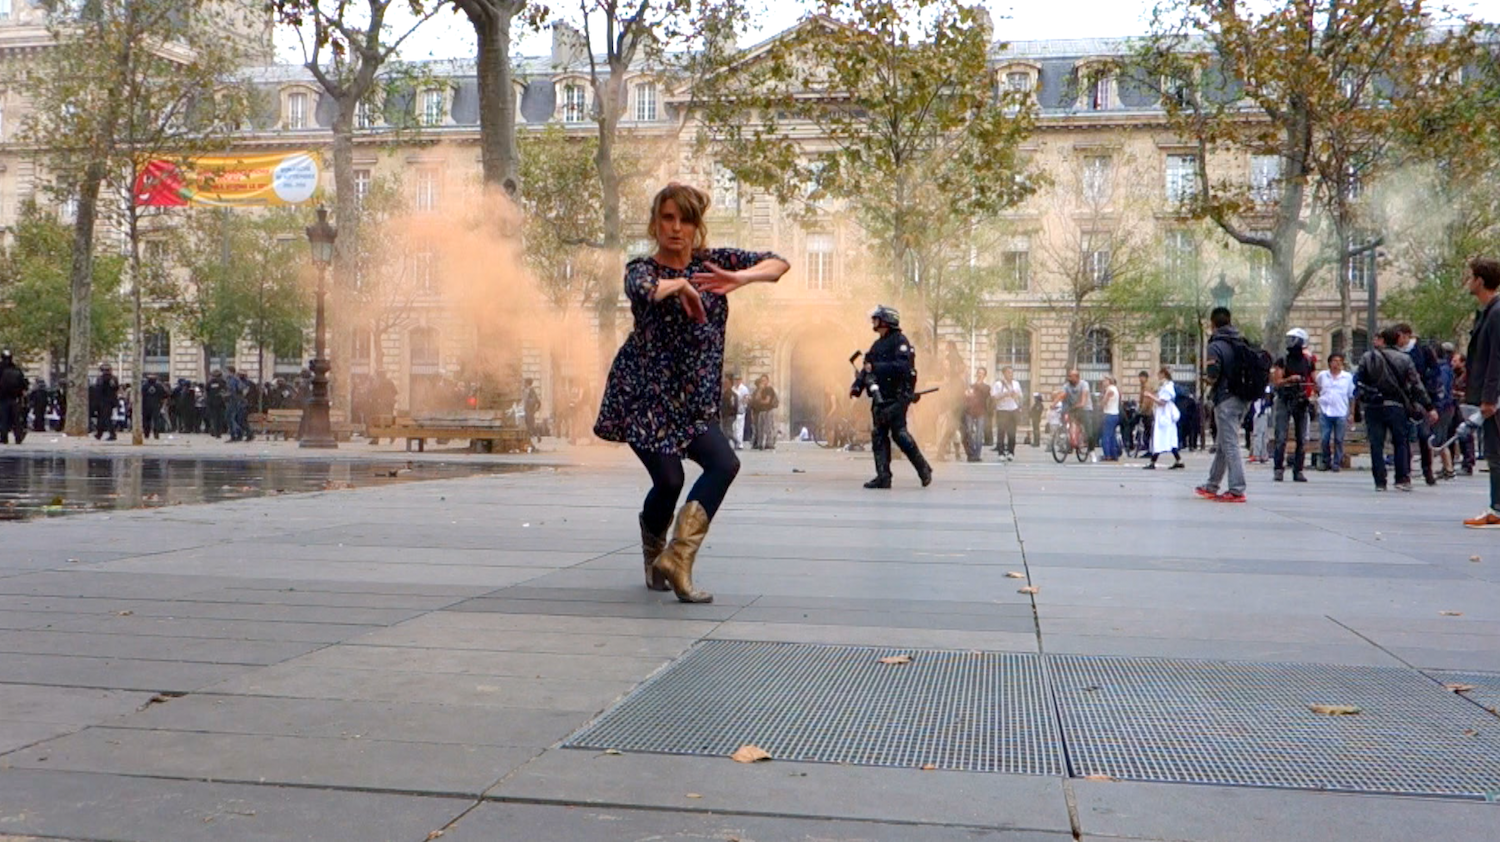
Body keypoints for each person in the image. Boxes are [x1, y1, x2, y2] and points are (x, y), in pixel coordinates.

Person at [593, 182, 789, 603]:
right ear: (655, 223)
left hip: (692, 400)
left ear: (697, 225)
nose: (676, 228)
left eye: (685, 220)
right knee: (669, 481)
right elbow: (645, 290)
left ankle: (678, 558)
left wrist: (740, 277)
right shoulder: (642, 268)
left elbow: (779, 264)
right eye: (667, 218)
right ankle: (654, 554)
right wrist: (681, 287)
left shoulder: (714, 263)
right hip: (644, 398)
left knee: (724, 463)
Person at [855, 305, 934, 489]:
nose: (874, 322)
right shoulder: (877, 344)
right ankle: (883, 476)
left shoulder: (900, 341)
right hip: (879, 396)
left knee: (900, 434)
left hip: (897, 396)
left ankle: (924, 469)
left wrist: (877, 368)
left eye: (877, 319)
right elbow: (867, 366)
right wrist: (857, 386)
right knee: (879, 435)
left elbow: (902, 367)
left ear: (886, 321)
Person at [1355, 326, 1438, 492]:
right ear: (1396, 340)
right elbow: (1416, 385)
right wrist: (1429, 406)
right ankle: (1402, 478)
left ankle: (1380, 481)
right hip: (1396, 405)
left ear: (1383, 340)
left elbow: (1358, 381)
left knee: (1376, 444)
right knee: (1400, 442)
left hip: (1373, 405)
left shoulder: (1368, 357)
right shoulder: (1405, 359)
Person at [1196, 307, 1252, 502]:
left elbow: (1213, 374)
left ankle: (1237, 489)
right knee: (1222, 443)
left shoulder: (1216, 345)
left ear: (1212, 323)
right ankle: (1212, 484)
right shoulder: (1240, 341)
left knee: (1229, 445)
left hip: (1226, 398)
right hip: (1243, 398)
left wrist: (1207, 380)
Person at [1462, 259, 1500, 526]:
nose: (1468, 280)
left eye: (1471, 276)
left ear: (1480, 280)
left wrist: (1489, 397)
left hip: (1495, 396)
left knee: (1496, 453)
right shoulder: (1490, 311)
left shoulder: (1497, 313)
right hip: (1491, 392)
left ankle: (1497, 509)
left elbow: (1496, 357)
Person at [1396, 324, 1442, 486]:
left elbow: (1436, 371)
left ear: (1407, 336)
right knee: (1404, 436)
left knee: (1424, 434)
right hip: (1403, 398)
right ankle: (1404, 471)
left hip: (1422, 398)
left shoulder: (1422, 350)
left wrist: (1424, 382)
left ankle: (1427, 469)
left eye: (1399, 336)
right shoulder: (1395, 352)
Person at [1271, 327, 1315, 482]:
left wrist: (1314, 392)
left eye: (1293, 339)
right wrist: (1289, 380)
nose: (1290, 343)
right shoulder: (1282, 359)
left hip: (1301, 400)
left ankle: (1298, 470)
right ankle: (1278, 469)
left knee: (1301, 438)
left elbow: (1312, 379)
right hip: (1285, 399)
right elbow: (1276, 382)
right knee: (1281, 436)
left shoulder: (1308, 361)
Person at [1315, 352, 1355, 472]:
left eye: (1339, 362)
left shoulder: (1347, 377)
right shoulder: (1322, 375)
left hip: (1341, 411)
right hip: (1325, 410)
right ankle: (1326, 460)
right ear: (1329, 363)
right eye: (1334, 361)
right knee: (1324, 438)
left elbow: (1351, 396)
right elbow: (1317, 388)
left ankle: (1337, 462)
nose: (1336, 364)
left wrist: (1352, 413)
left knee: (1339, 439)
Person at [1143, 368, 1183, 469]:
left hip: (1165, 416)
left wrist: (1150, 396)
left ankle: (1153, 462)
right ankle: (1178, 460)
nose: (1158, 377)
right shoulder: (1165, 386)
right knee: (1168, 439)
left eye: (1159, 375)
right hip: (1164, 415)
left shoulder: (1167, 387)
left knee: (1160, 438)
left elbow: (1162, 402)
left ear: (1163, 374)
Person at [1054, 370, 1092, 454]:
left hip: (1085, 408)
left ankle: (1091, 450)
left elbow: (1084, 397)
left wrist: (1081, 404)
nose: (1069, 378)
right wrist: (1054, 404)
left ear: (1077, 377)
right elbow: (1062, 395)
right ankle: (1071, 442)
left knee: (1089, 430)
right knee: (1070, 423)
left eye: (1071, 376)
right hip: (1073, 408)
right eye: (1069, 376)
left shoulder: (1084, 384)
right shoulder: (1066, 386)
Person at [992, 365, 1022, 461]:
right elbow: (994, 397)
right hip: (1002, 410)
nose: (1010, 374)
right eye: (1008, 372)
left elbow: (1020, 396)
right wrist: (1004, 394)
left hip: (1013, 410)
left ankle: (1011, 452)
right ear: (1004, 373)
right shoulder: (998, 384)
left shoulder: (1016, 383)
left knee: (1012, 433)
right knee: (1001, 432)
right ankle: (1001, 452)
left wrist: (1015, 394)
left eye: (1012, 372)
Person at [962, 367, 990, 462]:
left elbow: (985, 394)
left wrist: (974, 387)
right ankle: (972, 452)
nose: (980, 374)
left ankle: (977, 454)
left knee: (979, 434)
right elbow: (966, 398)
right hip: (970, 411)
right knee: (969, 432)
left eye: (982, 373)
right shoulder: (971, 386)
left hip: (981, 412)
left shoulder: (986, 387)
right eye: (978, 373)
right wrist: (967, 394)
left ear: (984, 375)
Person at [0, 350, 27, 444]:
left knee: (3, 418)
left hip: (2, 398)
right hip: (15, 398)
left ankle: (3, 438)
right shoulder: (16, 369)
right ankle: (18, 437)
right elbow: (24, 384)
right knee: (16, 419)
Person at [750, 374, 779, 450]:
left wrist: (760, 401)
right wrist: (760, 390)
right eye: (762, 380)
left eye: (764, 380)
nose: (763, 382)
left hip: (768, 411)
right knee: (760, 428)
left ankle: (769, 443)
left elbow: (767, 401)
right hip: (761, 411)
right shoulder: (760, 390)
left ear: (767, 381)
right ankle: (760, 444)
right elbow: (756, 398)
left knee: (768, 427)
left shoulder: (769, 389)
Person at [93, 363, 119, 441]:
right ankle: (99, 434)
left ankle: (112, 434)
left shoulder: (101, 379)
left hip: (104, 401)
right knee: (103, 418)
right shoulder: (114, 378)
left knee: (105, 418)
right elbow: (116, 388)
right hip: (110, 401)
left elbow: (98, 390)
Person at [1099, 375, 1122, 461]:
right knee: (1112, 436)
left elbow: (1104, 402)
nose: (1103, 382)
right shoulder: (1116, 389)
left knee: (1106, 436)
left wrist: (1100, 404)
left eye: (1105, 380)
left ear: (1109, 381)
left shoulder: (1109, 390)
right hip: (1115, 414)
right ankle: (1114, 455)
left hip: (1109, 414)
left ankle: (1107, 455)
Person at [140, 373, 169, 440]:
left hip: (146, 406)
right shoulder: (159, 386)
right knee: (156, 420)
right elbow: (165, 396)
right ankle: (156, 434)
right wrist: (162, 404)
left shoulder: (144, 386)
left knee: (146, 420)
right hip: (156, 406)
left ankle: (146, 434)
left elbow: (140, 395)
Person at [205, 370, 227, 438]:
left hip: (212, 402)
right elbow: (225, 390)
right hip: (220, 402)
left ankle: (214, 431)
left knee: (214, 418)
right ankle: (219, 433)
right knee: (220, 418)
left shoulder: (210, 383)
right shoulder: (223, 382)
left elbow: (207, 391)